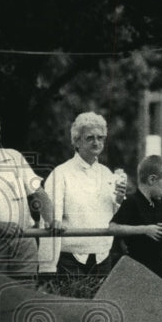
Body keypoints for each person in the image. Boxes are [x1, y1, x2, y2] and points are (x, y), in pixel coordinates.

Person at [40, 112, 126, 277]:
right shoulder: (61, 173)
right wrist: (47, 267)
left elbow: (112, 216)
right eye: (90, 138)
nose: (96, 142)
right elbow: (51, 219)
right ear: (76, 141)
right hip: (68, 259)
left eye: (100, 138)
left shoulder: (107, 173)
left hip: (103, 256)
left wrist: (120, 199)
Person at [0, 111, 59, 274]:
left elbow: (38, 193)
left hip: (24, 242)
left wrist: (51, 220)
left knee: (24, 293)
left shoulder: (14, 157)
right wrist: (0, 226)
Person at [108, 155, 162, 282]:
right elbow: (113, 227)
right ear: (152, 179)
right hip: (136, 267)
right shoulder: (131, 202)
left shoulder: (160, 206)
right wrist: (144, 229)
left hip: (159, 267)